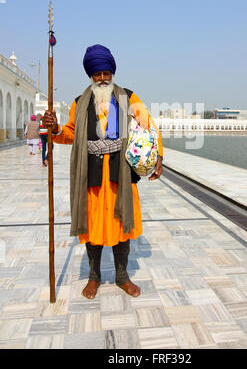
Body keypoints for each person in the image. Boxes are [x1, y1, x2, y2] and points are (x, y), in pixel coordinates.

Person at [43, 44, 163, 299]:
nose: (101, 78)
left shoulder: (128, 98)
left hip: (121, 174)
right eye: (97, 74)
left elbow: (148, 125)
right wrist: (55, 130)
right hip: (92, 177)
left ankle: (122, 276)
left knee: (122, 226)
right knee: (93, 226)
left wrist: (158, 156)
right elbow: (71, 134)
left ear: (112, 73)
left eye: (106, 73)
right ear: (90, 75)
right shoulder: (80, 103)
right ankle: (94, 277)